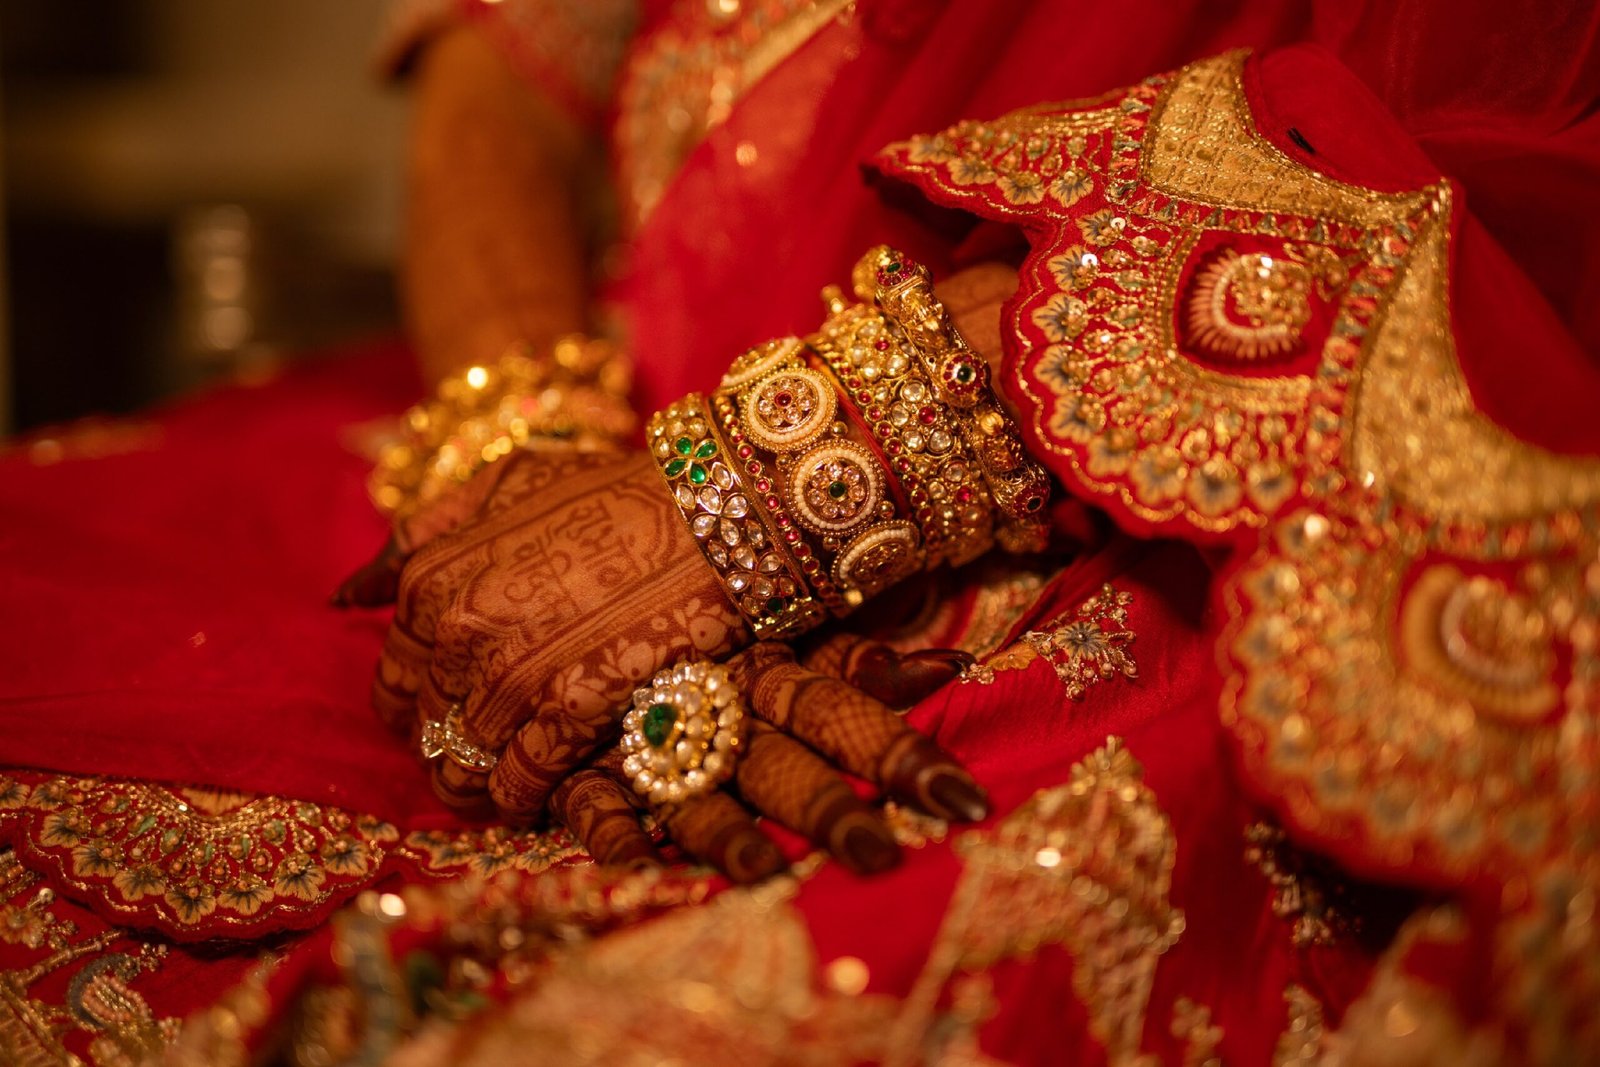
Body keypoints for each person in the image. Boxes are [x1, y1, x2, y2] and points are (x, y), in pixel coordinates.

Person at [1, 1, 1597, 1064]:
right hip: (569, 417)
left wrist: (793, 477)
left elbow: (1507, 144)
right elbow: (507, 80)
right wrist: (526, 471)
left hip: (1197, 510)